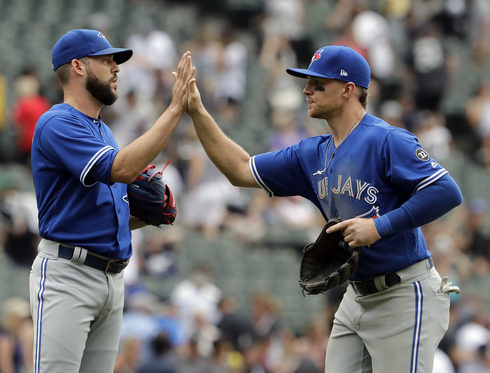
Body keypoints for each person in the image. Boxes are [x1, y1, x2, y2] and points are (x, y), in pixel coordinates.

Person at [186, 44, 463, 372]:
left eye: (318, 84)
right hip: (356, 297)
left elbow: (446, 191)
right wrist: (198, 112)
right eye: (307, 83)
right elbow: (241, 170)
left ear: (348, 90)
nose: (306, 90)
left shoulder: (387, 140)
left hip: (403, 293)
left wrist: (379, 226)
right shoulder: (311, 154)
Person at [29, 29, 194, 373]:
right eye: (106, 61)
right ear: (77, 66)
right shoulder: (57, 122)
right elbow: (122, 168)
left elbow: (107, 209)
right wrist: (176, 108)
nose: (116, 68)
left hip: (112, 277)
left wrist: (147, 215)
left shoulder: (102, 130)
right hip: (69, 275)